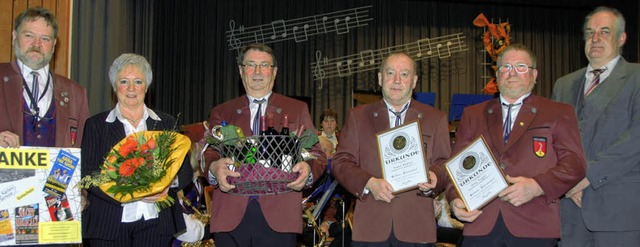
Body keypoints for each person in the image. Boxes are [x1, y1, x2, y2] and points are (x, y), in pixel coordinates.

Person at [446, 44, 586, 247]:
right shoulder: (472, 114)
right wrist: (454, 199)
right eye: (506, 67)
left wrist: (538, 186)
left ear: (534, 74)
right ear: (497, 74)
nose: (512, 73)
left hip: (534, 224)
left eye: (521, 67)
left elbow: (575, 164)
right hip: (480, 224)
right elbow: (456, 166)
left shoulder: (558, 111)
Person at [204, 43, 326, 247]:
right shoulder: (222, 112)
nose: (258, 71)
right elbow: (209, 154)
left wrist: (308, 170)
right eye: (251, 65)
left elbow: (317, 154)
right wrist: (214, 168)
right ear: (241, 71)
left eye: (264, 65)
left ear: (274, 72)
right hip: (230, 214)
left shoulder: (297, 109)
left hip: (280, 214)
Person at [331, 52, 451, 246]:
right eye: (390, 73)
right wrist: (369, 183)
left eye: (404, 74)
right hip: (371, 227)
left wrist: (436, 176)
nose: (396, 80)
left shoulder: (435, 118)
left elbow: (445, 163)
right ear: (380, 78)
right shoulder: (358, 116)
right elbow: (341, 161)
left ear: (414, 81)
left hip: (417, 227)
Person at [81, 54, 193, 246]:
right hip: (108, 222)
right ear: (115, 87)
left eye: (138, 81)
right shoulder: (95, 125)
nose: (131, 88)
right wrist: (125, 192)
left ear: (146, 87)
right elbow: (88, 172)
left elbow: (185, 172)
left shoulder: (166, 123)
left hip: (157, 222)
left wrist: (165, 186)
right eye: (124, 81)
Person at [552, 6, 640, 247]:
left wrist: (584, 176)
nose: (596, 39)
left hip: (618, 211)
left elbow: (636, 139)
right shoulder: (563, 84)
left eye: (604, 32)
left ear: (621, 38)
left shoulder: (636, 77)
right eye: (590, 33)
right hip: (569, 211)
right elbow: (551, 141)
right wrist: (564, 182)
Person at [0, 6, 88, 148]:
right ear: (14, 37)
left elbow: (84, 152)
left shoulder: (76, 93)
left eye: (45, 39)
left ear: (53, 45)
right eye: (29, 36)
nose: (36, 44)